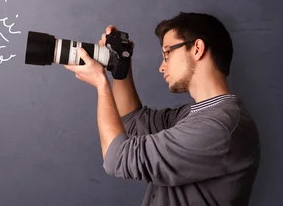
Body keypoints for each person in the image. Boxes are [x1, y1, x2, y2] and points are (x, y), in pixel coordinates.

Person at [65, 12, 261, 206]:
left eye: (167, 53)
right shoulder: (196, 115)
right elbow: (133, 122)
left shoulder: (219, 127)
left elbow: (116, 158)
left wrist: (101, 83)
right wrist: (120, 63)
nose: (162, 66)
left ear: (197, 49)